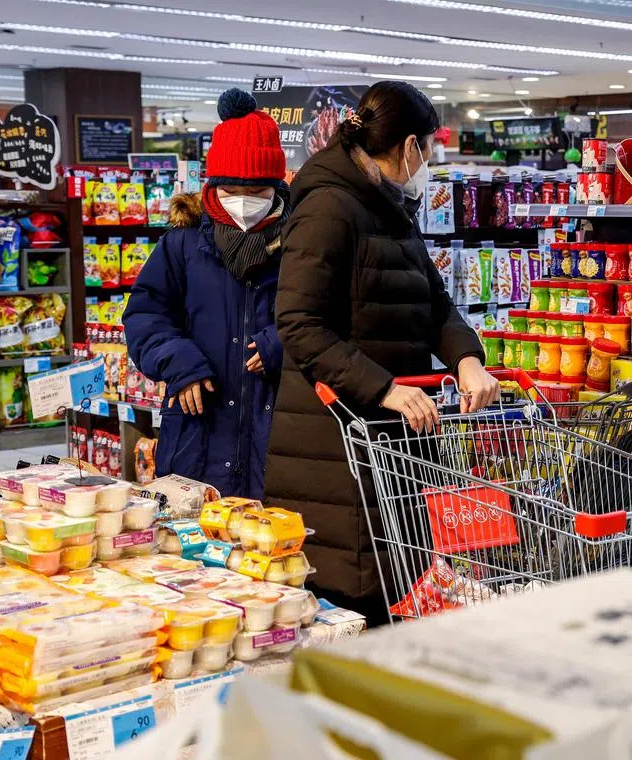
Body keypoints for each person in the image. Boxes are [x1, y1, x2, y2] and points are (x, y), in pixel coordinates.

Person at [266, 81, 499, 621]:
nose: (431, 163)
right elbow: (299, 324)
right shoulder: (328, 207)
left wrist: (466, 358)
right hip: (336, 442)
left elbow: (433, 300)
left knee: (399, 584)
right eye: (430, 149)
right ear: (409, 146)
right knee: (357, 600)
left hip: (391, 436)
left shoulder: (390, 204)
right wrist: (384, 387)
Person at [124, 88, 288, 498]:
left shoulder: (302, 243)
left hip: (277, 438)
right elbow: (145, 317)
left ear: (278, 188)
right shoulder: (182, 246)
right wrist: (179, 361)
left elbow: (327, 316)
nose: (245, 202)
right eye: (232, 190)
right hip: (197, 436)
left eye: (259, 192)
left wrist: (283, 344)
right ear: (213, 185)